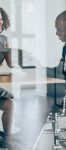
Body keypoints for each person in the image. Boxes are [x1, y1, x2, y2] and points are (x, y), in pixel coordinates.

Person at [0, 7, 15, 139]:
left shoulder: (4, 40)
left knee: (9, 104)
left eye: (0, 19)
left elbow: (11, 64)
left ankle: (7, 139)